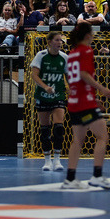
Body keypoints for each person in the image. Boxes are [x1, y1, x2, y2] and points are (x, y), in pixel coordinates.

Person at [63, 22, 110, 190]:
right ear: (87, 35)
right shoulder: (86, 50)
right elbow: (84, 74)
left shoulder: (71, 53)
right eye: (92, 33)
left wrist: (94, 98)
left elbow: (75, 79)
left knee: (77, 141)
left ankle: (70, 179)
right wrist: (102, 89)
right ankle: (97, 176)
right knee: (102, 136)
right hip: (85, 104)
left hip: (74, 101)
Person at [30, 32, 69, 172]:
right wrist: (45, 87)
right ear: (50, 42)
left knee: (59, 127)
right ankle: (47, 160)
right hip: (42, 95)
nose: (60, 43)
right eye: (57, 40)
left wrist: (71, 90)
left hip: (58, 95)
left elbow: (68, 76)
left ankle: (57, 160)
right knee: (45, 130)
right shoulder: (40, 56)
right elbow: (34, 75)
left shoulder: (64, 57)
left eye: (61, 41)